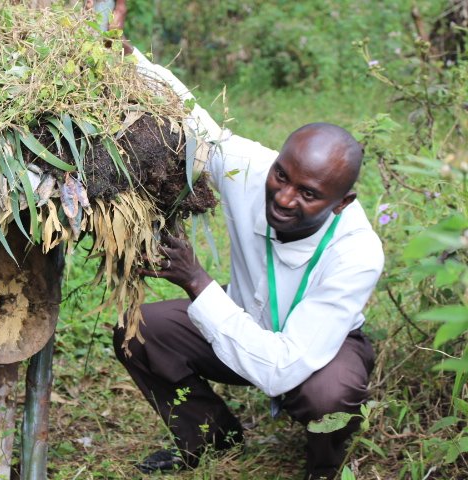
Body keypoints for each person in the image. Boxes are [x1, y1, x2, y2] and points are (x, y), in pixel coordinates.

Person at [113, 53, 384, 479]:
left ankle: (323, 468)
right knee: (138, 332)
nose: (283, 197)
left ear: (341, 203)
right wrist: (123, 50)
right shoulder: (253, 168)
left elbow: (283, 368)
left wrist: (197, 282)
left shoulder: (357, 252)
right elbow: (192, 119)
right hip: (240, 319)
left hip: (313, 350)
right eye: (281, 176)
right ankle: (210, 438)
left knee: (329, 392)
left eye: (308, 194)